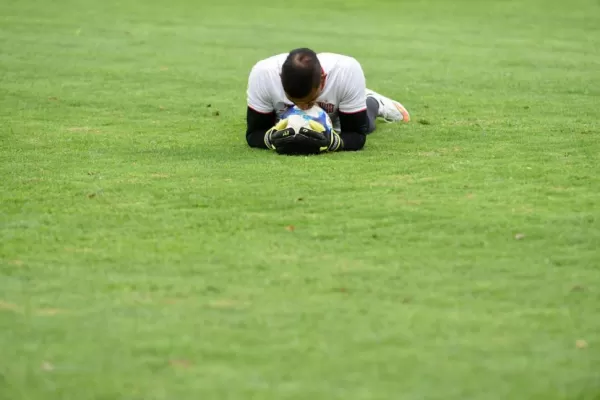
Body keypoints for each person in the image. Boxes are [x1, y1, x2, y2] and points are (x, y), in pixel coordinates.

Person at [245, 48, 410, 155]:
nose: (302, 108)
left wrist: (332, 142)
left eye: (309, 101)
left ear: (323, 80)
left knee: (366, 126)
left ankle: (373, 101)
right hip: (286, 117)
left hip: (337, 111)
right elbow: (253, 133)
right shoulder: (264, 75)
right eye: (292, 100)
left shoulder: (346, 71)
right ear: (281, 79)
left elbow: (357, 136)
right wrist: (274, 138)